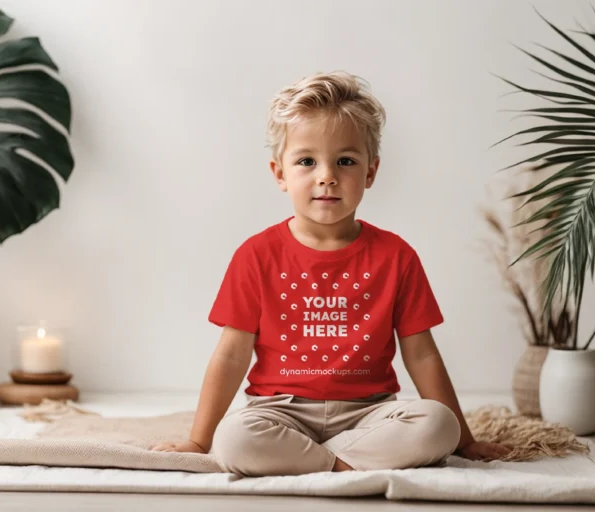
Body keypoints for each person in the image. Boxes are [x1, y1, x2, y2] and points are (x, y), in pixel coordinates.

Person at [151, 71, 511, 476]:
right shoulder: (256, 255)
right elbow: (232, 354)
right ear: (280, 174)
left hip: (369, 413)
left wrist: (464, 439)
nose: (327, 175)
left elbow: (422, 353)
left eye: (345, 161)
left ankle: (312, 461)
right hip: (281, 413)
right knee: (234, 439)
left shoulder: (396, 256)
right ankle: (348, 463)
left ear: (370, 173)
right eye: (307, 161)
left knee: (436, 425)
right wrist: (199, 440)